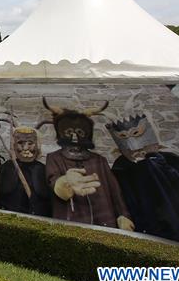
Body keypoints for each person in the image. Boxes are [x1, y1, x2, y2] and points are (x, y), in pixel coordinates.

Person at [107, 113, 179, 247]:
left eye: (136, 134)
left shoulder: (167, 161)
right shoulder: (122, 170)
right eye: (123, 137)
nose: (134, 145)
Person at [41, 98, 133, 231]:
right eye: (69, 132)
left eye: (79, 132)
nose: (74, 137)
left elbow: (115, 190)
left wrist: (123, 215)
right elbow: (52, 180)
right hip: (71, 223)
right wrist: (64, 183)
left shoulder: (99, 160)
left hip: (106, 222)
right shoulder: (54, 158)